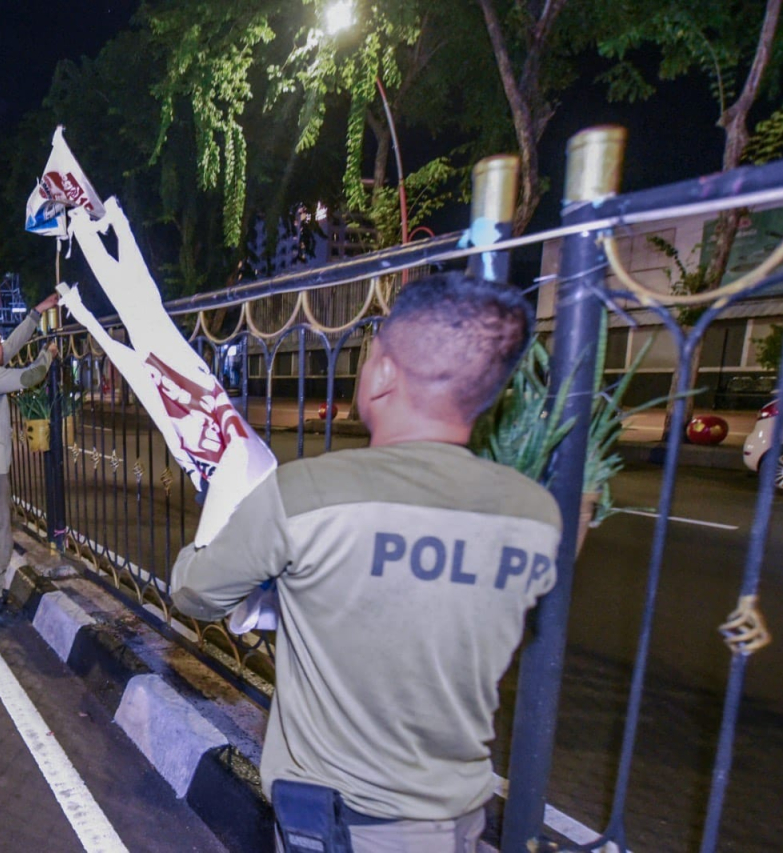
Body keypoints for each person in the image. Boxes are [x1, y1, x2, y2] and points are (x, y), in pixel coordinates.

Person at [170, 272, 561, 853]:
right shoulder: (535, 515)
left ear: (381, 375)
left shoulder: (307, 495)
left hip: (335, 826)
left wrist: (202, 550)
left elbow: (196, 595)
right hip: (456, 826)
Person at [0, 293, 60, 630]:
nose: (2, 346)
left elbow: (11, 349)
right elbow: (30, 377)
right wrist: (48, 356)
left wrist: (35, 314)